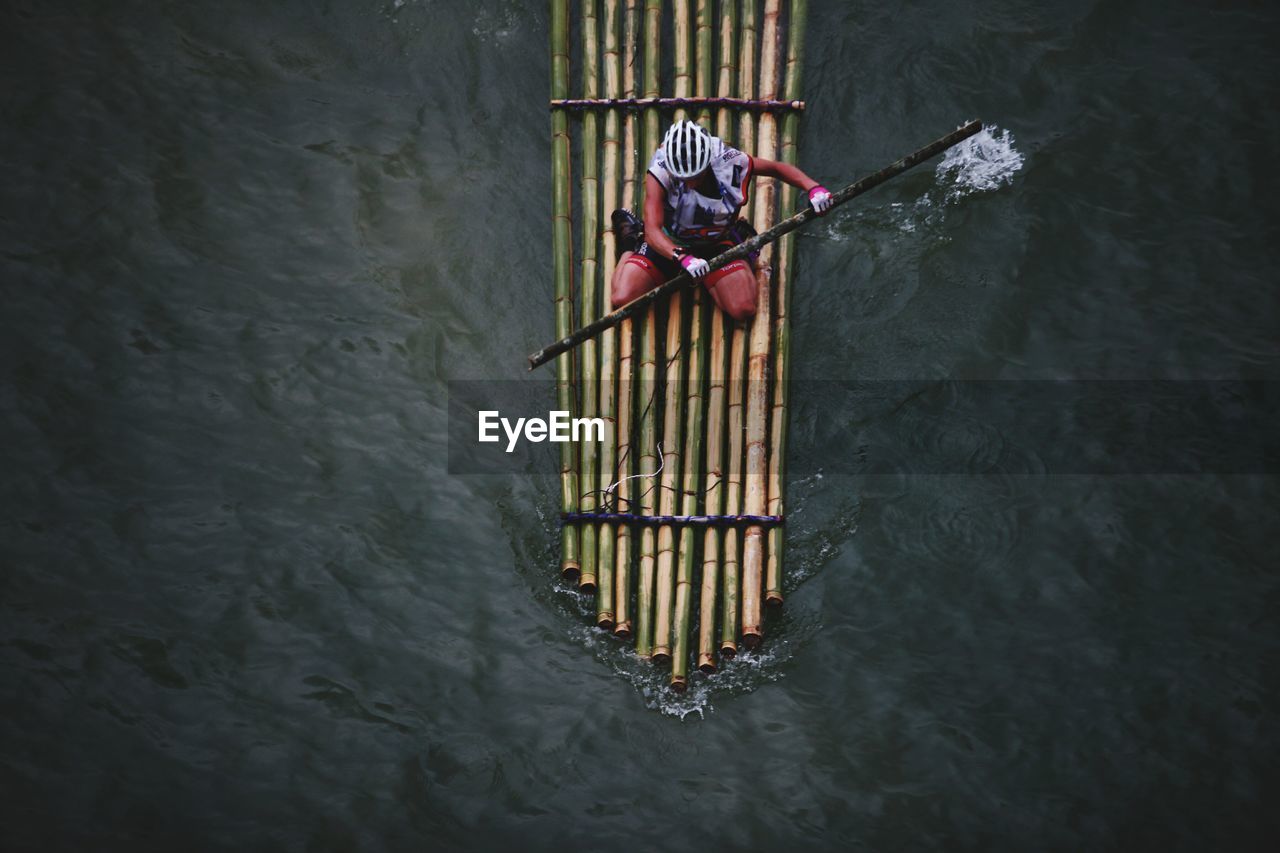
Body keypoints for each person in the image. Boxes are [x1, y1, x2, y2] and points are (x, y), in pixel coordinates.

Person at [610, 119, 833, 321]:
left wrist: (813, 188)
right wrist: (682, 257)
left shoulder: (729, 159)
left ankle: (734, 252)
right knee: (623, 298)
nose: (688, 183)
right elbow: (653, 230)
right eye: (682, 178)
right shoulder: (660, 170)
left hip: (715, 243)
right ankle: (631, 243)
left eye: (694, 177)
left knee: (742, 309)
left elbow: (777, 168)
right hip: (670, 244)